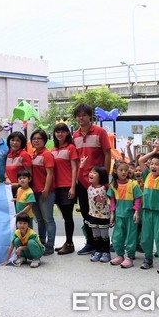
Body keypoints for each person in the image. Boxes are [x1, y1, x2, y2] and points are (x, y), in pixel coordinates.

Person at [72, 103, 111, 256]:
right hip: (82, 180)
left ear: (90, 116)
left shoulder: (100, 132)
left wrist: (105, 176)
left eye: (84, 115)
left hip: (98, 182)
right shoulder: (75, 135)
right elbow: (76, 159)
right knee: (86, 213)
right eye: (78, 115)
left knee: (100, 212)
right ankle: (91, 243)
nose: (81, 118)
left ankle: (103, 244)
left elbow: (107, 154)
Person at [137, 140, 159, 274]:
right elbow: (141, 160)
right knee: (145, 238)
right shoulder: (147, 175)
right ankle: (148, 259)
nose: (153, 166)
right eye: (152, 163)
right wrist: (153, 151)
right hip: (147, 212)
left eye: (157, 164)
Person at [108, 161, 142, 268]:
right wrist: (112, 213)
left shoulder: (133, 184)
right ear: (115, 171)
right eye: (121, 170)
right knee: (117, 236)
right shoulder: (113, 185)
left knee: (131, 237)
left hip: (130, 216)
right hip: (119, 215)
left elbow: (138, 198)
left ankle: (129, 257)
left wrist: (136, 211)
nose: (124, 172)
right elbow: (112, 199)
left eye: (126, 170)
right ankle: (120, 255)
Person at [51, 123, 78, 255]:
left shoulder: (71, 148)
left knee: (68, 216)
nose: (59, 134)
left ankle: (69, 243)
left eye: (62, 131)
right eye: (57, 131)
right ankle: (67, 242)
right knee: (64, 216)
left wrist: (73, 187)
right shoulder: (53, 150)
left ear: (67, 133)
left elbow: (74, 168)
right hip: (56, 187)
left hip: (67, 186)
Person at [78, 158, 111, 264]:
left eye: (94, 173)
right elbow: (80, 176)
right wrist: (81, 166)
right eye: (91, 172)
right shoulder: (88, 186)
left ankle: (106, 252)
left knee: (104, 236)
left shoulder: (105, 187)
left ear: (101, 176)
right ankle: (98, 251)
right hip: (92, 215)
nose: (91, 174)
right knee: (95, 235)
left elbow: (113, 198)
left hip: (104, 216)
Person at [30, 129, 56, 255]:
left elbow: (50, 173)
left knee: (48, 219)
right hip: (34, 191)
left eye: (39, 138)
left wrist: (46, 189)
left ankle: (50, 245)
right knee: (39, 219)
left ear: (44, 140)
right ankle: (42, 242)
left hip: (46, 192)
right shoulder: (33, 154)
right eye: (34, 138)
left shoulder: (47, 154)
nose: (36, 140)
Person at [4, 131, 32, 197]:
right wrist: (7, 178)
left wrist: (17, 184)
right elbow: (6, 171)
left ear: (21, 142)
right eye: (12, 140)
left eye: (18, 141)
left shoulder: (24, 155)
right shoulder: (8, 155)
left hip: (22, 190)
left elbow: (29, 175)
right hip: (9, 190)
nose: (14, 143)